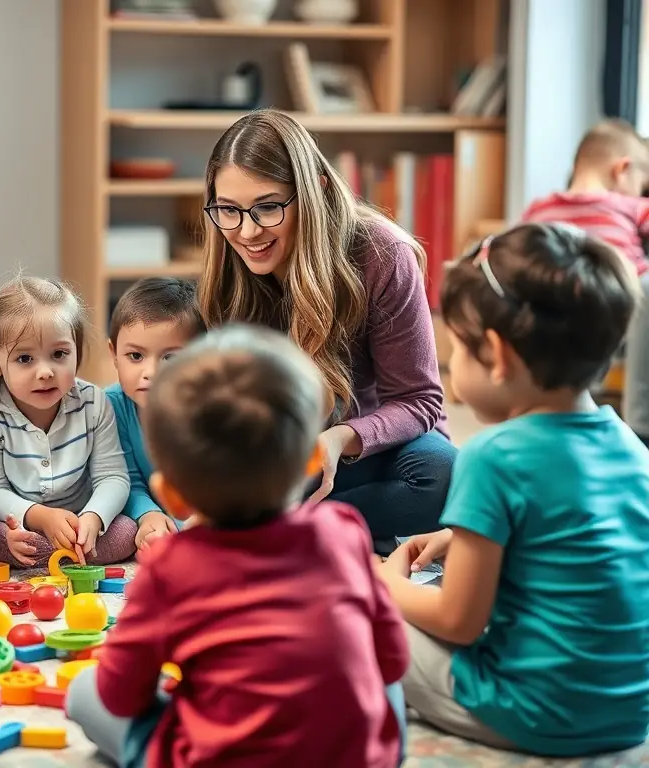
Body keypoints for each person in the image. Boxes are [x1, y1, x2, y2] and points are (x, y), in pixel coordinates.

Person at [67, 324, 410, 768]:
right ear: (311, 460)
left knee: (84, 693)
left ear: (171, 495)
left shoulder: (170, 567)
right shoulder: (343, 529)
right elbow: (394, 659)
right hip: (355, 757)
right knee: (378, 681)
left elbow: (121, 695)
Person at [377, 223, 649, 757]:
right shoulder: (629, 445)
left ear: (497, 355)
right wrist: (463, 536)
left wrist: (381, 581)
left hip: (536, 713)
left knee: (359, 610)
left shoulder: (492, 455)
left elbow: (459, 622)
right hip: (630, 713)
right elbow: (577, 538)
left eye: (454, 346)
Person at [197, 109, 454, 549]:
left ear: (313, 189)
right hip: (290, 456)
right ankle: (340, 530)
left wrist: (340, 438)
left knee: (443, 475)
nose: (247, 231)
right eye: (229, 210)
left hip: (375, 449)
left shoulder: (382, 253)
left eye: (268, 207)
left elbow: (419, 400)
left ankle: (306, 527)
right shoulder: (228, 271)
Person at [0, 274, 136, 568]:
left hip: (81, 520)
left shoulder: (94, 402)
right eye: (25, 359)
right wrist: (38, 516)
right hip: (22, 524)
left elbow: (113, 477)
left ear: (77, 351)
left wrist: (93, 518)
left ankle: (69, 550)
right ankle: (63, 555)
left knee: (125, 531)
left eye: (59, 354)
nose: (45, 372)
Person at [519, 118, 649, 449]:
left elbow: (511, 252)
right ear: (622, 170)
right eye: (642, 182)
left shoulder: (540, 208)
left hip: (554, 306)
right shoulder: (631, 205)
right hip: (617, 304)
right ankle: (641, 423)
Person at [106, 277, 206, 551]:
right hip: (156, 513)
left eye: (170, 358)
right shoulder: (112, 406)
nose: (151, 373)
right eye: (135, 356)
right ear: (114, 354)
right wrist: (148, 516)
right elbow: (125, 478)